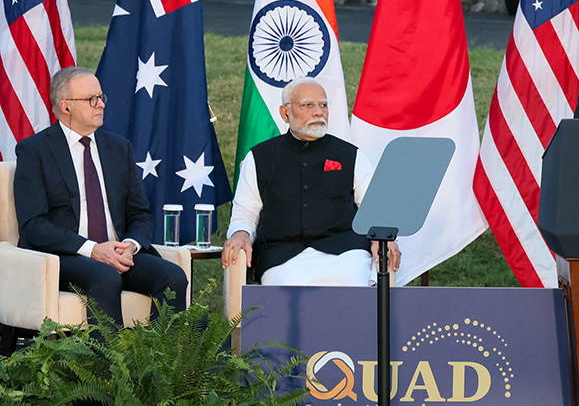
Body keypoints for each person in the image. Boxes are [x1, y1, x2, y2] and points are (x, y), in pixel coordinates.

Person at [14, 67, 188, 325]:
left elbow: (139, 213)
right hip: (66, 256)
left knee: (173, 277)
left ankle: (160, 362)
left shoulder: (118, 148)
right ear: (66, 106)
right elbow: (33, 226)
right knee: (105, 277)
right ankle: (108, 364)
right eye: (91, 99)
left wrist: (129, 246)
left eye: (101, 97)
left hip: (118, 252)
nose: (101, 104)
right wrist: (93, 250)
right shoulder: (35, 151)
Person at [221, 78, 399, 285]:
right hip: (281, 256)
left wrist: (382, 238)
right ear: (285, 113)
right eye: (308, 105)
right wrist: (240, 234)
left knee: (355, 280)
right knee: (287, 284)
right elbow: (244, 214)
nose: (318, 112)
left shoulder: (350, 155)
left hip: (346, 252)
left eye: (323, 105)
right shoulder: (259, 157)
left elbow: (374, 209)